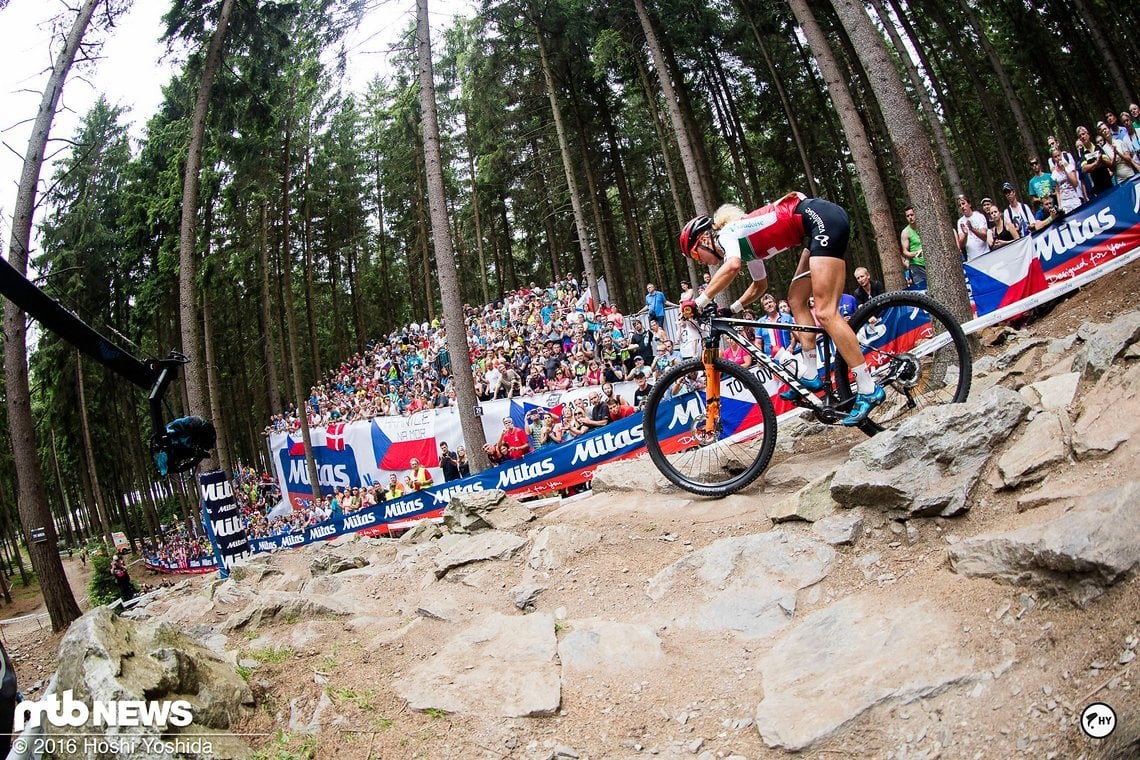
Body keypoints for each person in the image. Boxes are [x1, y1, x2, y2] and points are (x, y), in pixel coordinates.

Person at [678, 191, 886, 426]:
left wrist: (698, 302)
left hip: (823, 220)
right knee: (796, 300)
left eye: (695, 254)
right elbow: (760, 285)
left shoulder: (728, 233)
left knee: (826, 313)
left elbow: (732, 266)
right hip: (816, 226)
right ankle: (810, 373)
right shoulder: (743, 243)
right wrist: (732, 309)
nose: (699, 260)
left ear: (705, 239)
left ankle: (868, 387)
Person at [1075, 125, 1113, 198]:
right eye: (1080, 136)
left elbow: (1108, 162)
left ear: (1088, 134)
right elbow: (1085, 169)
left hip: (1108, 183)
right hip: (1098, 188)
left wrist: (1099, 162)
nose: (1082, 137)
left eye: (1083, 134)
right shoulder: (1082, 153)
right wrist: (1097, 163)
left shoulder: (1098, 147)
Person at [955, 195, 991, 262]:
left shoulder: (979, 216)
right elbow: (961, 245)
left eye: (963, 203)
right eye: (960, 205)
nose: (962, 207)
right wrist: (965, 234)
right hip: (972, 259)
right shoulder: (960, 222)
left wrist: (972, 229)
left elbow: (984, 237)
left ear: (969, 204)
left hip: (985, 255)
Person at [1049, 145, 1082, 213]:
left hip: (1074, 198)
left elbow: (1075, 183)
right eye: (1055, 157)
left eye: (1058, 155)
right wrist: (1060, 205)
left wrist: (1065, 170)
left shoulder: (1070, 167)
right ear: (1053, 158)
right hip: (1064, 202)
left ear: (1061, 155)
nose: (1058, 158)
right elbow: (1057, 191)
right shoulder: (1054, 174)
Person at [899, 205, 926, 286]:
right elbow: (905, 252)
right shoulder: (905, 232)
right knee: (922, 288)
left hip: (930, 263)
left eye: (912, 215)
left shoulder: (925, 227)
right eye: (908, 216)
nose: (910, 217)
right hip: (916, 265)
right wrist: (915, 254)